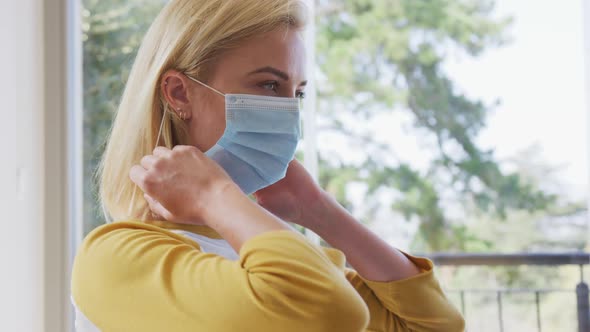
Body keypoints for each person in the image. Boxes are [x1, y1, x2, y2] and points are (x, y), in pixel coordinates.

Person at [71, 0, 465, 331]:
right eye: (269, 86)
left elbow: (430, 326)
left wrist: (316, 209)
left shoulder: (268, 250)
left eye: (297, 92)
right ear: (179, 93)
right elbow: (329, 312)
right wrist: (212, 193)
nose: (287, 111)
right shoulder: (115, 257)